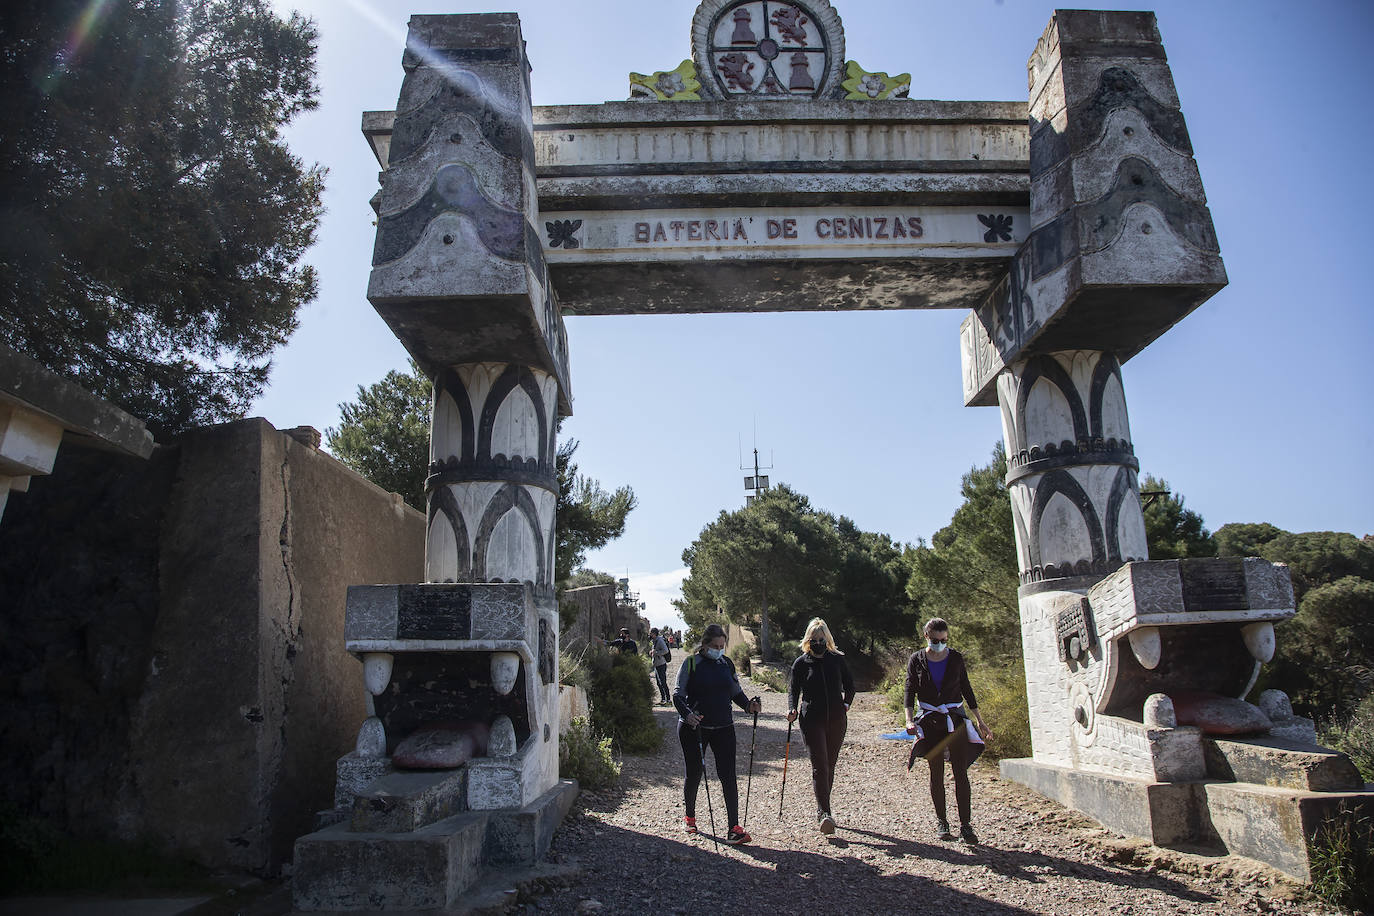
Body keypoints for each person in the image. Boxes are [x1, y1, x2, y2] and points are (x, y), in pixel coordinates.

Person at [904, 617, 992, 844]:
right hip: (932, 721)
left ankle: (966, 825)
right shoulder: (917, 659)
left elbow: (967, 689)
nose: (939, 643)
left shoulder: (955, 658)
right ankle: (942, 822)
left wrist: (980, 721)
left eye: (943, 640)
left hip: (956, 718)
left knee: (961, 772)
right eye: (935, 639)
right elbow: (909, 691)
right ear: (926, 636)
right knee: (936, 773)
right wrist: (909, 720)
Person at [673, 623, 761, 845]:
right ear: (704, 645)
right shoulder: (691, 663)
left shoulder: (726, 663)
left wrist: (749, 706)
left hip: (724, 727)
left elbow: (736, 693)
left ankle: (734, 828)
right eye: (714, 646)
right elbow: (677, 695)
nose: (719, 649)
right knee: (694, 773)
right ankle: (690, 817)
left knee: (728, 776)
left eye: (722, 646)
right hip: (694, 728)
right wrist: (688, 714)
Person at [786, 617, 854, 835]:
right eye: (814, 639)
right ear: (808, 640)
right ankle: (825, 812)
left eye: (821, 639)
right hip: (811, 719)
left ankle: (822, 808)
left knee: (830, 765)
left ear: (827, 639)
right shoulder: (801, 663)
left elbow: (850, 686)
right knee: (820, 766)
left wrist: (846, 704)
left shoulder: (837, 660)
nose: (817, 642)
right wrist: (792, 709)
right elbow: (793, 690)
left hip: (836, 719)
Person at [649, 627, 672, 705]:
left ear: (654, 634)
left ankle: (668, 700)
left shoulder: (660, 640)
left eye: (651, 633)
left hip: (661, 664)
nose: (650, 634)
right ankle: (663, 699)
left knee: (663, 682)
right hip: (656, 664)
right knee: (659, 683)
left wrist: (656, 653)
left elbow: (665, 650)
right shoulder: (654, 641)